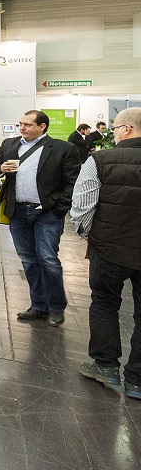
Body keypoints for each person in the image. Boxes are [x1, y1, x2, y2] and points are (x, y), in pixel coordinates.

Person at [0, 110, 81, 326]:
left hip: (47, 213)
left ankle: (56, 307)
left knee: (48, 260)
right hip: (18, 212)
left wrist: (59, 209)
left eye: (27, 124)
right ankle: (38, 305)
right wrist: (0, 168)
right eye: (20, 124)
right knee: (28, 260)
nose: (22, 128)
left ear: (42, 126)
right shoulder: (10, 145)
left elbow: (72, 182)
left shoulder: (63, 149)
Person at [72, 108, 141, 399]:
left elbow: (83, 205)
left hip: (109, 249)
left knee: (104, 303)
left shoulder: (100, 160)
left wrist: (88, 235)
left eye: (114, 128)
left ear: (126, 129)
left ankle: (105, 366)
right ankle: (137, 381)